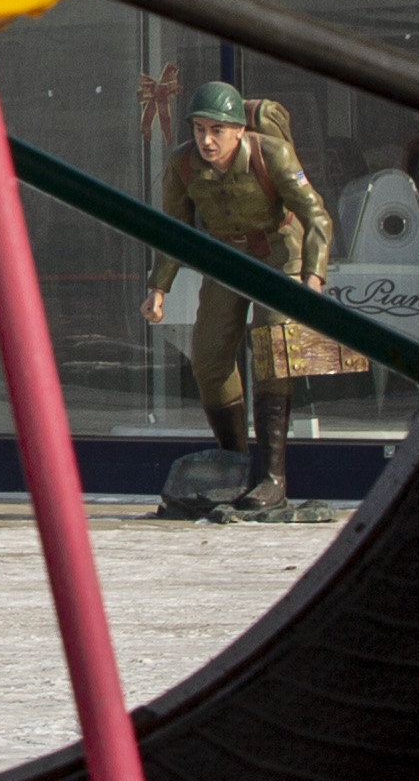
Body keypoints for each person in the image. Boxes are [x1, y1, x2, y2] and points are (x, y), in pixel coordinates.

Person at [139, 77, 335, 506]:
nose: (206, 141)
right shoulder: (183, 165)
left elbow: (316, 215)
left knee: (273, 350)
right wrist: (159, 288)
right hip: (227, 260)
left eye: (217, 131)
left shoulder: (272, 154)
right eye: (199, 130)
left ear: (238, 130)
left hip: (280, 254)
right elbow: (173, 230)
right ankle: (234, 465)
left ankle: (273, 479)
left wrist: (313, 278)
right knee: (208, 356)